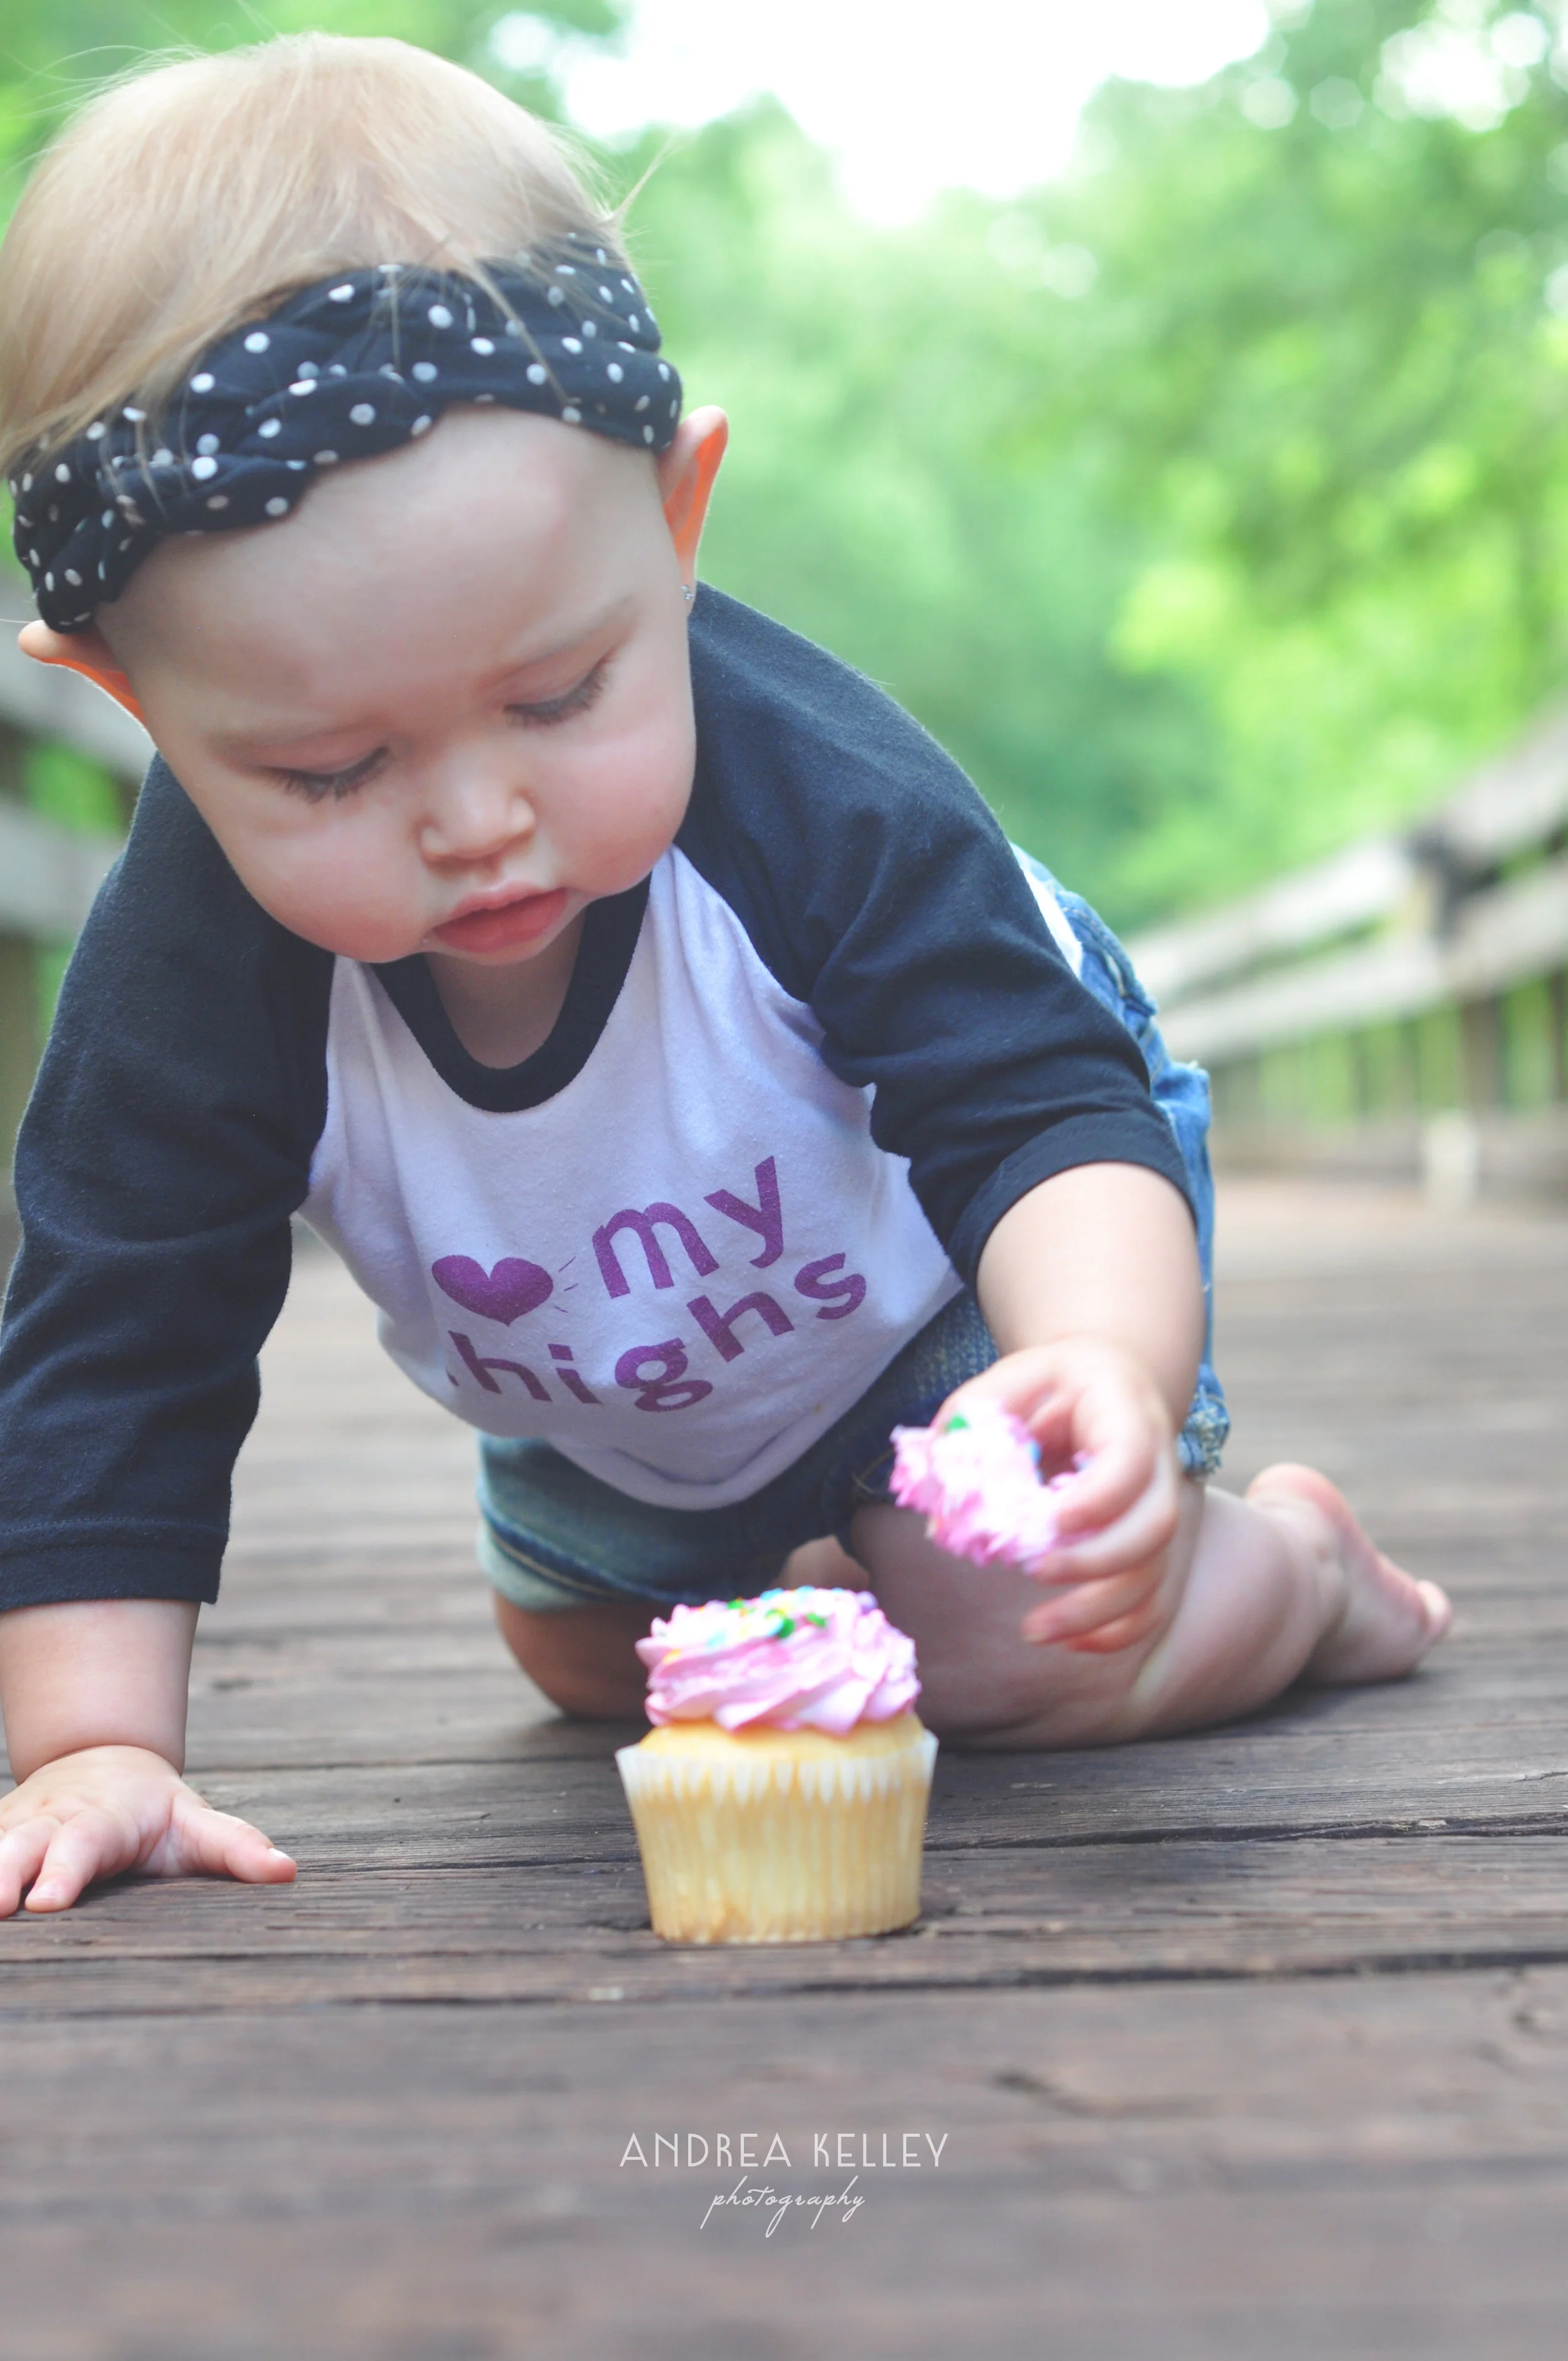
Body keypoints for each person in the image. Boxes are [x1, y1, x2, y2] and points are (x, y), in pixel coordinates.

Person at [0, 34, 1449, 1921]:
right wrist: (90, 1742)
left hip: (954, 1265)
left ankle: (1300, 1575)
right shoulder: (192, 969)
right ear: (137, 701)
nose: (478, 821)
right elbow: (120, 1322)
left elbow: (1034, 1103)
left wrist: (1096, 1357)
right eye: (331, 771)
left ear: (675, 526)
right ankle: (813, 1570)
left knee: (1012, 1641)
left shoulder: (814, 799)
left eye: (557, 696)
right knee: (601, 1666)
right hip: (630, 1385)